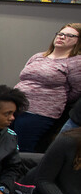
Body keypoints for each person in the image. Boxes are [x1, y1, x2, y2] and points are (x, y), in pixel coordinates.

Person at [12, 23, 81, 151]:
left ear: (78, 41)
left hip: (40, 111)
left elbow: (76, 91)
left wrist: (52, 98)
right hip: (15, 105)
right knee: (3, 142)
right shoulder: (39, 56)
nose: (62, 37)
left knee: (22, 148)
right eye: (60, 34)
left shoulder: (76, 62)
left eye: (69, 35)